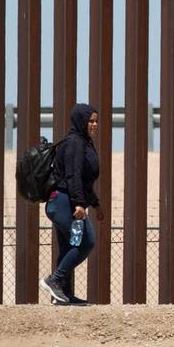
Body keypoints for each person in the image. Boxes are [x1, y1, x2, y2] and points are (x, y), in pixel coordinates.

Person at [40, 103, 103, 305]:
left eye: (95, 120)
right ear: (81, 122)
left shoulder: (83, 142)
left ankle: (62, 296)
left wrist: (95, 204)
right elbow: (73, 175)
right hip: (63, 201)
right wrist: (79, 204)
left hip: (65, 200)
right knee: (86, 241)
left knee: (69, 246)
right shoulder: (75, 143)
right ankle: (55, 280)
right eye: (90, 121)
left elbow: (84, 181)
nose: (94, 124)